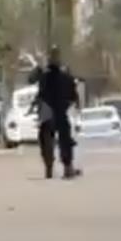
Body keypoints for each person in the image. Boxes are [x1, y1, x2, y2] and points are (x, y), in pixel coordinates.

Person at [32, 47, 81, 179]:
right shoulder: (61, 76)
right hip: (57, 111)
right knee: (62, 138)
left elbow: (36, 86)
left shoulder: (45, 76)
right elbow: (73, 96)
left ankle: (55, 166)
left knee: (50, 138)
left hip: (50, 112)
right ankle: (66, 167)